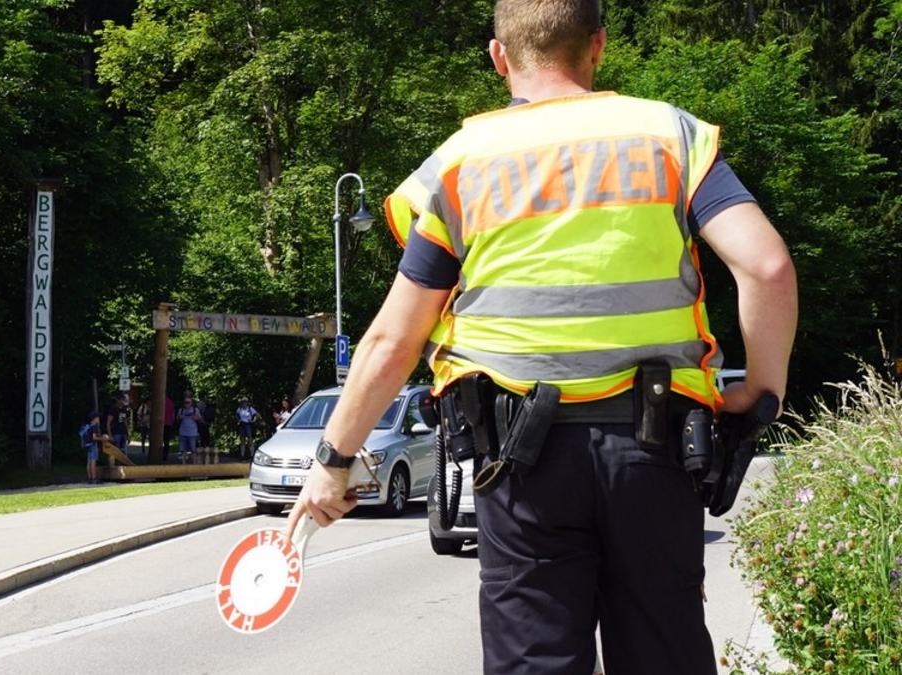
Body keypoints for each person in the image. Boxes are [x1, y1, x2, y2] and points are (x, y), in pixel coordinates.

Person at [286, 2, 798, 674]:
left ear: (499, 57)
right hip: (656, 452)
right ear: (598, 46)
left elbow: (392, 340)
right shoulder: (669, 135)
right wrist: (761, 393)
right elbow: (767, 267)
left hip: (522, 465)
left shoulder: (461, 163)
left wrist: (333, 460)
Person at [81, 411, 108, 484]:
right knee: (93, 461)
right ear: (95, 418)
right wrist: (103, 439)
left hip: (87, 445)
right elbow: (94, 437)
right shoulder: (94, 426)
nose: (99, 419)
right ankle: (94, 478)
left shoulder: (88, 425)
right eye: (98, 417)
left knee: (89, 462)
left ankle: (90, 478)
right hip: (93, 445)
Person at [176, 391, 202, 464]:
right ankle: (183, 464)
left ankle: (194, 464)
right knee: (183, 450)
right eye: (185, 402)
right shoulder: (181, 410)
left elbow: (200, 419)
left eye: (188, 402)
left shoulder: (195, 410)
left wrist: (197, 418)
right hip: (183, 432)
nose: (186, 404)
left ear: (191, 402)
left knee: (193, 450)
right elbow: (176, 419)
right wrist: (179, 417)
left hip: (192, 433)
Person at [196, 393, 216, 457]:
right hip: (207, 422)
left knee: (202, 436)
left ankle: (203, 450)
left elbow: (197, 412)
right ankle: (207, 449)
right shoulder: (207, 403)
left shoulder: (200, 404)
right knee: (207, 435)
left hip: (201, 422)